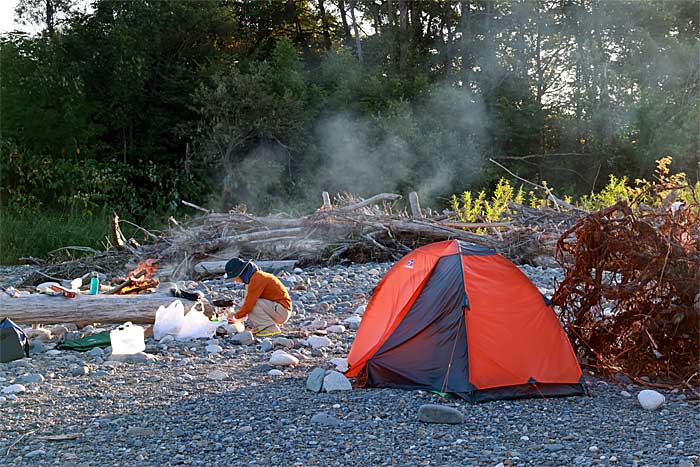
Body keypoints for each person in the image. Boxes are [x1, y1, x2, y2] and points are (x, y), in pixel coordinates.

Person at [224, 258, 292, 337]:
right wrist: (237, 315)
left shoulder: (257, 278)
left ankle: (270, 327)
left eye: (234, 278)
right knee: (246, 302)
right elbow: (246, 302)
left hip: (282, 311)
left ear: (240, 274)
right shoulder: (253, 277)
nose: (236, 281)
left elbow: (249, 304)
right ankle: (264, 325)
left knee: (253, 304)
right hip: (277, 309)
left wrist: (235, 316)